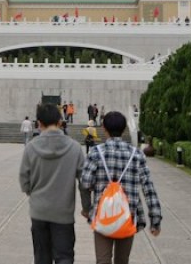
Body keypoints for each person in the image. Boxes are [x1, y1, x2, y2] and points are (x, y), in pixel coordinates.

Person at [80, 111, 162, 264]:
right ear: (124, 130)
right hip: (128, 215)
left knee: (102, 260)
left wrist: (87, 208)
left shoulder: (96, 153)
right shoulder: (136, 154)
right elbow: (148, 189)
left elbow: (85, 183)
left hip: (102, 214)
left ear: (104, 128)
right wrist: (155, 220)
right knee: (122, 260)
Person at [19, 103, 90, 264]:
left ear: (39, 123)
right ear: (60, 122)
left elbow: (24, 180)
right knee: (64, 257)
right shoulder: (74, 148)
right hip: (63, 213)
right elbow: (84, 182)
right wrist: (87, 208)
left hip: (39, 211)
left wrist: (34, 194)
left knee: (41, 257)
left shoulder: (31, 148)